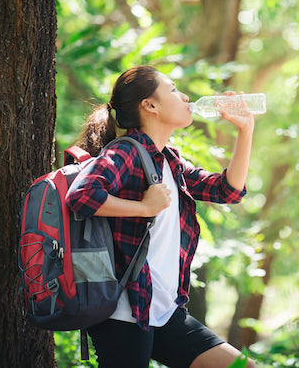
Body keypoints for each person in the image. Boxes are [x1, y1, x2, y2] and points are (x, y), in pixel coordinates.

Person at [66, 65, 256, 368]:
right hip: (125, 314)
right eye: (172, 90)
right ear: (150, 105)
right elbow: (81, 195)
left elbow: (227, 192)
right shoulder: (125, 152)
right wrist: (143, 208)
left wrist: (245, 131)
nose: (184, 96)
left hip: (164, 311)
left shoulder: (170, 160)